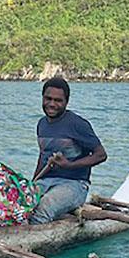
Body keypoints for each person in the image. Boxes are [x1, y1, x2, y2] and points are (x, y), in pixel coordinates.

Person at [29, 77, 107, 224]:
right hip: (46, 181)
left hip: (75, 185)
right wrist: (32, 183)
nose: (52, 104)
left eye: (58, 100)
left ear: (66, 102)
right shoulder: (41, 124)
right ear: (42, 98)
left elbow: (101, 155)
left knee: (43, 208)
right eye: (48, 98)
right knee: (22, 203)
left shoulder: (78, 124)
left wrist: (69, 165)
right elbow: (43, 155)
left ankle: (31, 243)